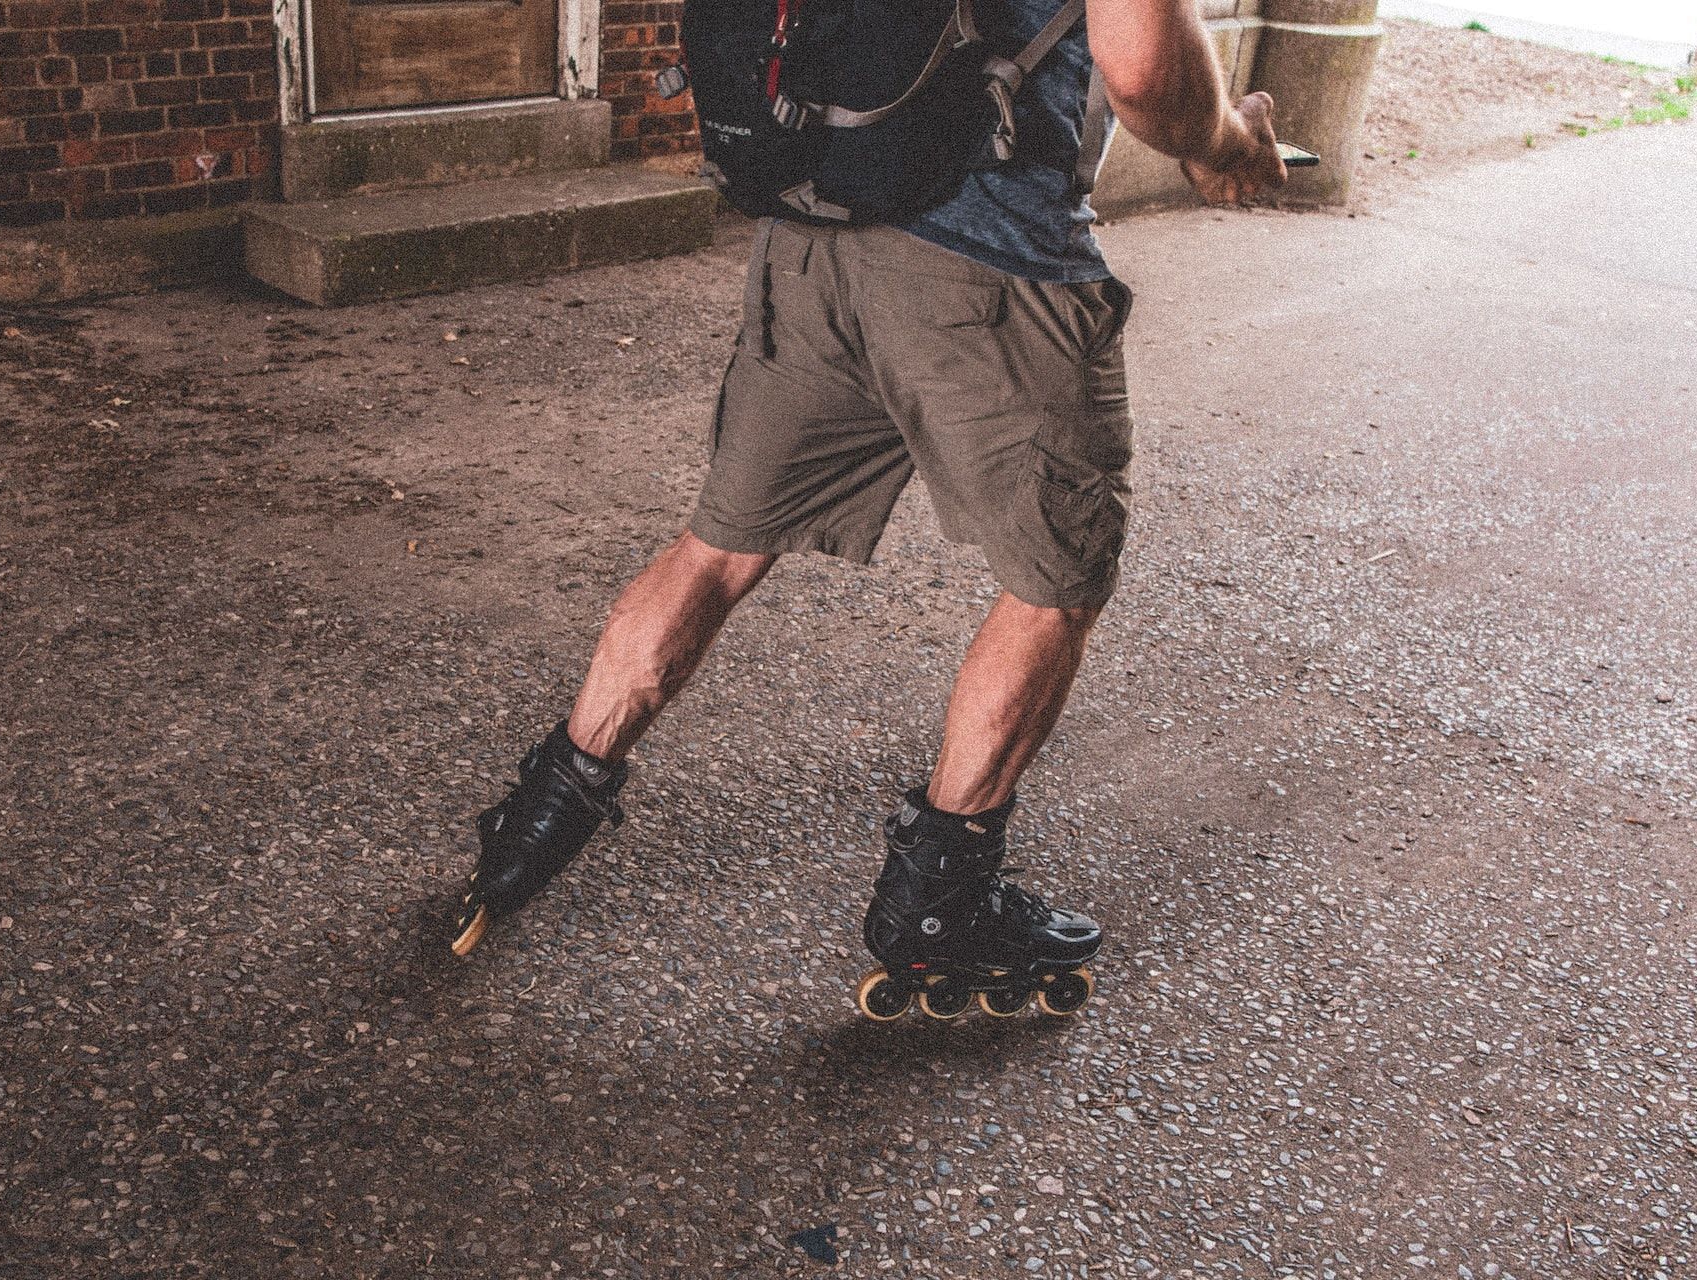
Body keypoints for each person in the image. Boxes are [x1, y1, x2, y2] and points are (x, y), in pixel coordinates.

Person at [447, 0, 1287, 1018]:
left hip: (815, 236)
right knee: (1055, 584)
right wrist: (1230, 144)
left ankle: (530, 831)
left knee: (717, 549)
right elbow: (1147, 70)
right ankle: (939, 910)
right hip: (995, 269)